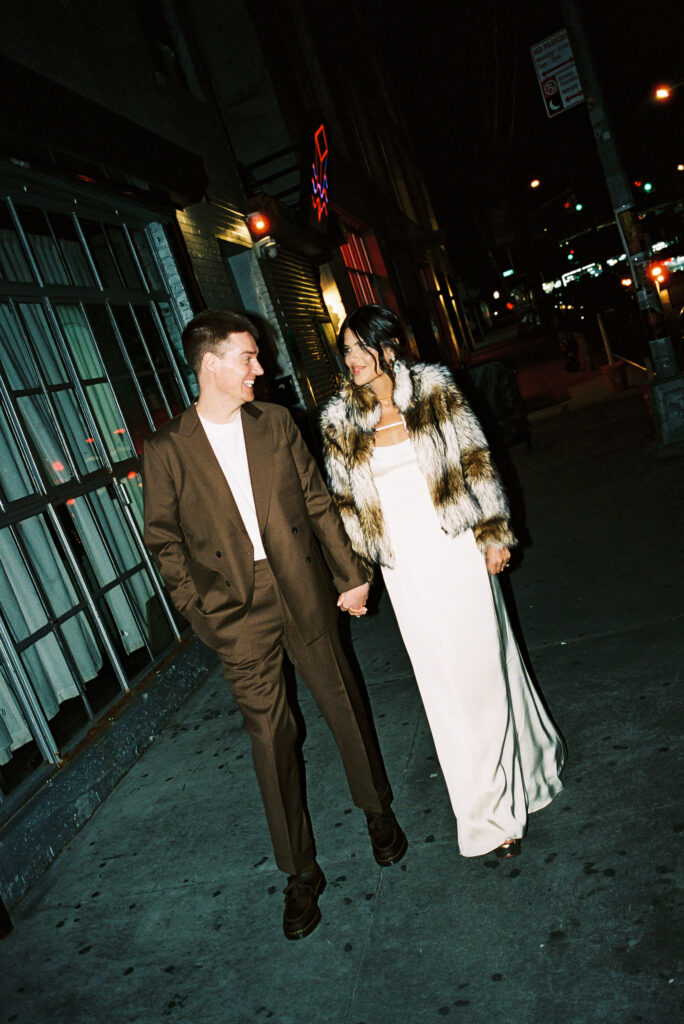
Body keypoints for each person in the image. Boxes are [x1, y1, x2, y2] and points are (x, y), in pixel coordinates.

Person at [143, 309, 406, 941]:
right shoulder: (167, 448)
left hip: (302, 586)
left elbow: (316, 500)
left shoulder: (277, 422)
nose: (260, 368)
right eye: (247, 357)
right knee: (271, 737)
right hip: (235, 610)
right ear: (211, 364)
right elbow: (164, 541)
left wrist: (349, 574)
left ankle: (377, 811)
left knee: (343, 702)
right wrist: (204, 615)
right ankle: (300, 871)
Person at [320, 304, 564, 859]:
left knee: (485, 671)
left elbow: (477, 460)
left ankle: (509, 794)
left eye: (362, 347)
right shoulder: (339, 420)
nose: (353, 358)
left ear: (389, 346)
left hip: (457, 549)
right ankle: (491, 805)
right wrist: (358, 574)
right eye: (347, 350)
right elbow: (346, 506)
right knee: (442, 685)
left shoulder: (434, 391)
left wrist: (495, 532)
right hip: (404, 568)